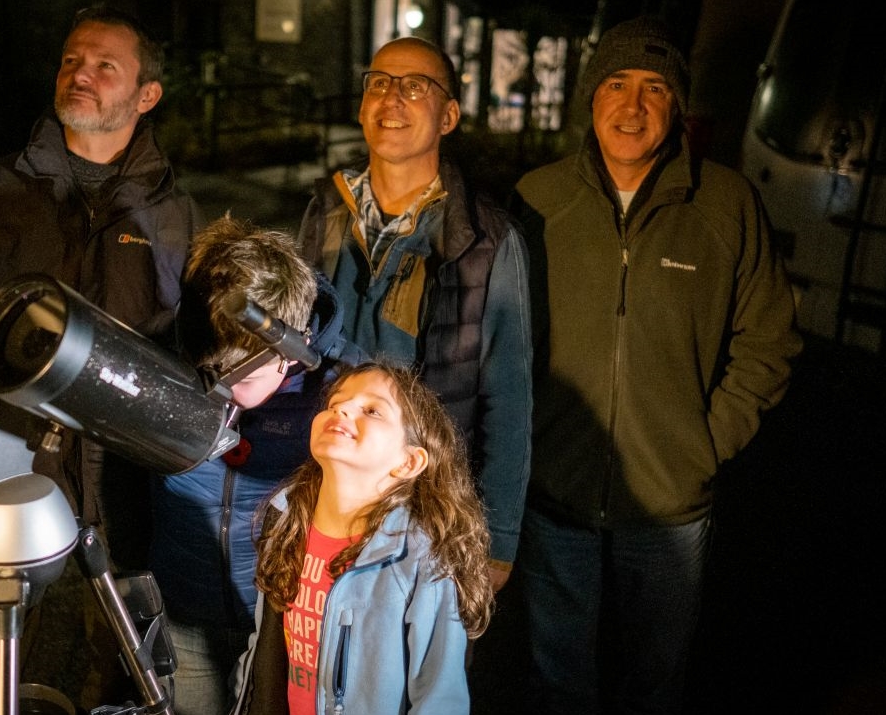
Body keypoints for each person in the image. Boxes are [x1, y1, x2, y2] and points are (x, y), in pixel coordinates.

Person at [509, 16, 802, 713]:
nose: (632, 105)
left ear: (677, 105)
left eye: (653, 88)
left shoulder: (727, 203)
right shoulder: (537, 198)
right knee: (559, 681)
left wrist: (704, 443)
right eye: (615, 83)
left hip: (671, 507)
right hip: (558, 494)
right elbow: (501, 338)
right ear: (591, 98)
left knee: (654, 683)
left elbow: (771, 338)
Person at [0, 6, 199, 711]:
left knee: (128, 665)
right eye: (73, 60)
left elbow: (186, 355)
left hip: (126, 485)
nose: (81, 75)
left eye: (106, 66)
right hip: (3, 464)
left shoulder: (175, 216)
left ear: (147, 94)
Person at [295, 36, 534, 593]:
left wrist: (498, 541)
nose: (391, 98)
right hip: (324, 500)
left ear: (448, 115)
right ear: (361, 106)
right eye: (378, 82)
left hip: (430, 517)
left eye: (415, 86)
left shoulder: (486, 241)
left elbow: (510, 399)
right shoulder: (327, 213)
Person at [150, 215, 365, 715]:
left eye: (236, 379)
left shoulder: (342, 391)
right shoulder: (177, 349)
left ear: (287, 354)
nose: (220, 394)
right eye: (209, 373)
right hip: (183, 603)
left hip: (279, 618)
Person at [231, 362, 494, 714]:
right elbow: (265, 653)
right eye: (334, 403)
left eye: (371, 410)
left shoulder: (422, 558)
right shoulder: (286, 520)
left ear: (408, 462)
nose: (341, 409)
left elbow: (439, 697)